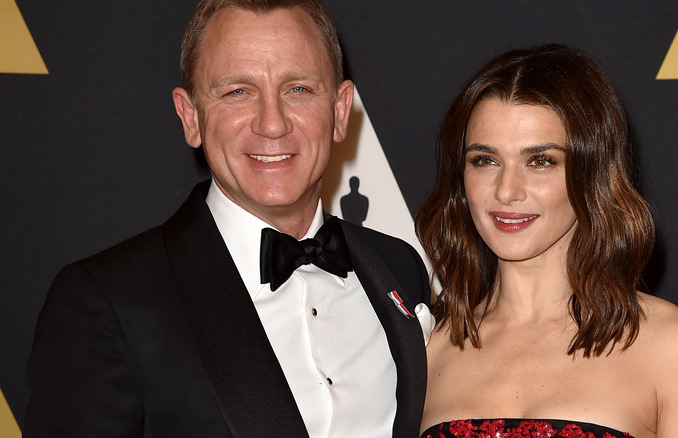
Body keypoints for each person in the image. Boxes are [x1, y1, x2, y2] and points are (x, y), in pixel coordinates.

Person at [24, 0, 431, 436]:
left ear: (338, 110)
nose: (272, 124)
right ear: (191, 117)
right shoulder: (107, 304)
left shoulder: (399, 267)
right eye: (238, 91)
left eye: (298, 89)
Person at [415, 44, 678, 438]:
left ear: (591, 173)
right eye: (485, 160)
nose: (507, 191)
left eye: (540, 161)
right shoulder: (427, 351)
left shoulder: (672, 347)